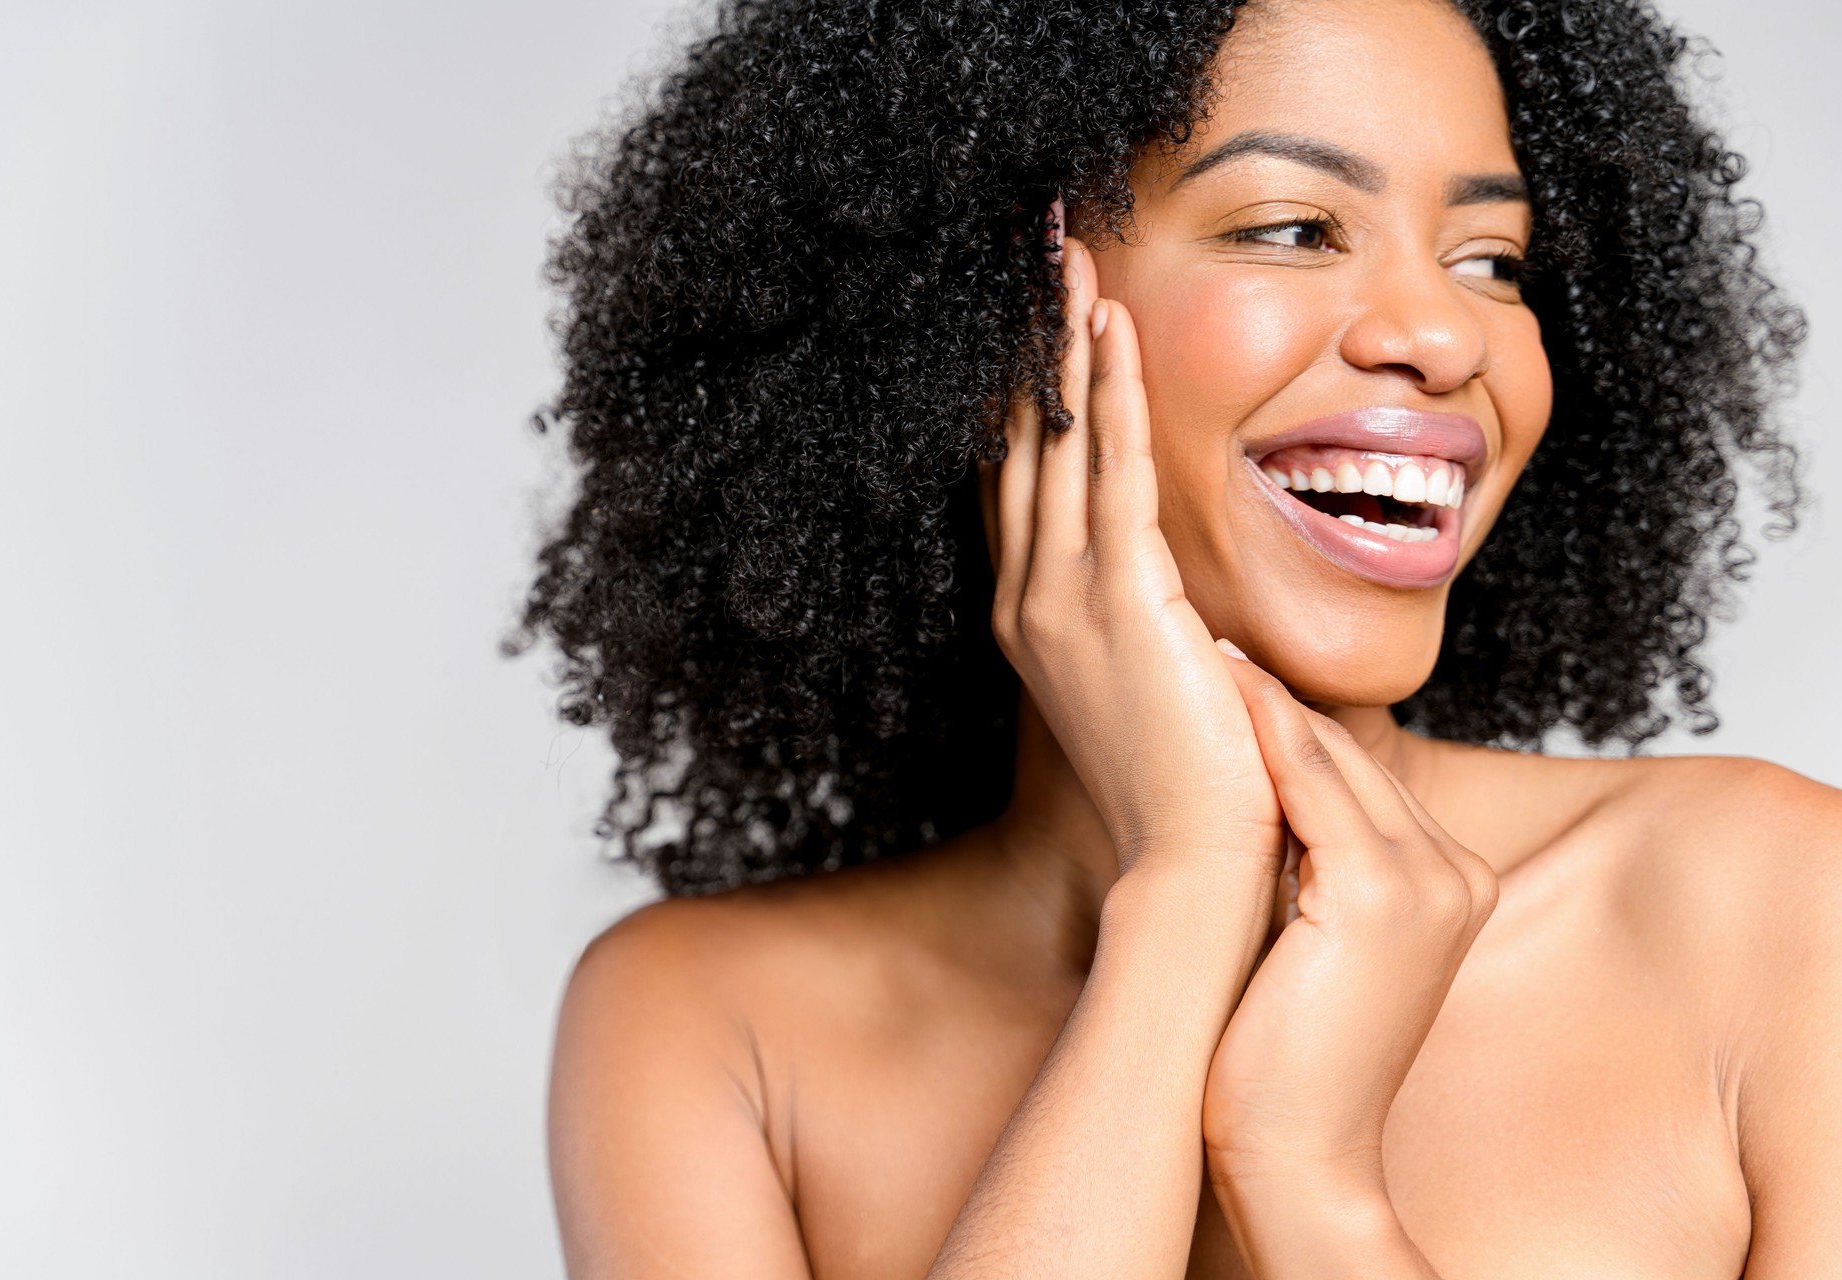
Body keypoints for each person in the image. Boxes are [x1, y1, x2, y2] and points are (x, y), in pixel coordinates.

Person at [515, 0, 1841, 1273]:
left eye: (1490, 260)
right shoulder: (715, 1027)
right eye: (1294, 227)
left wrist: (1304, 1174)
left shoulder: (1770, 906)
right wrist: (1189, 890)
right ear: (991, 319)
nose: (1444, 336)